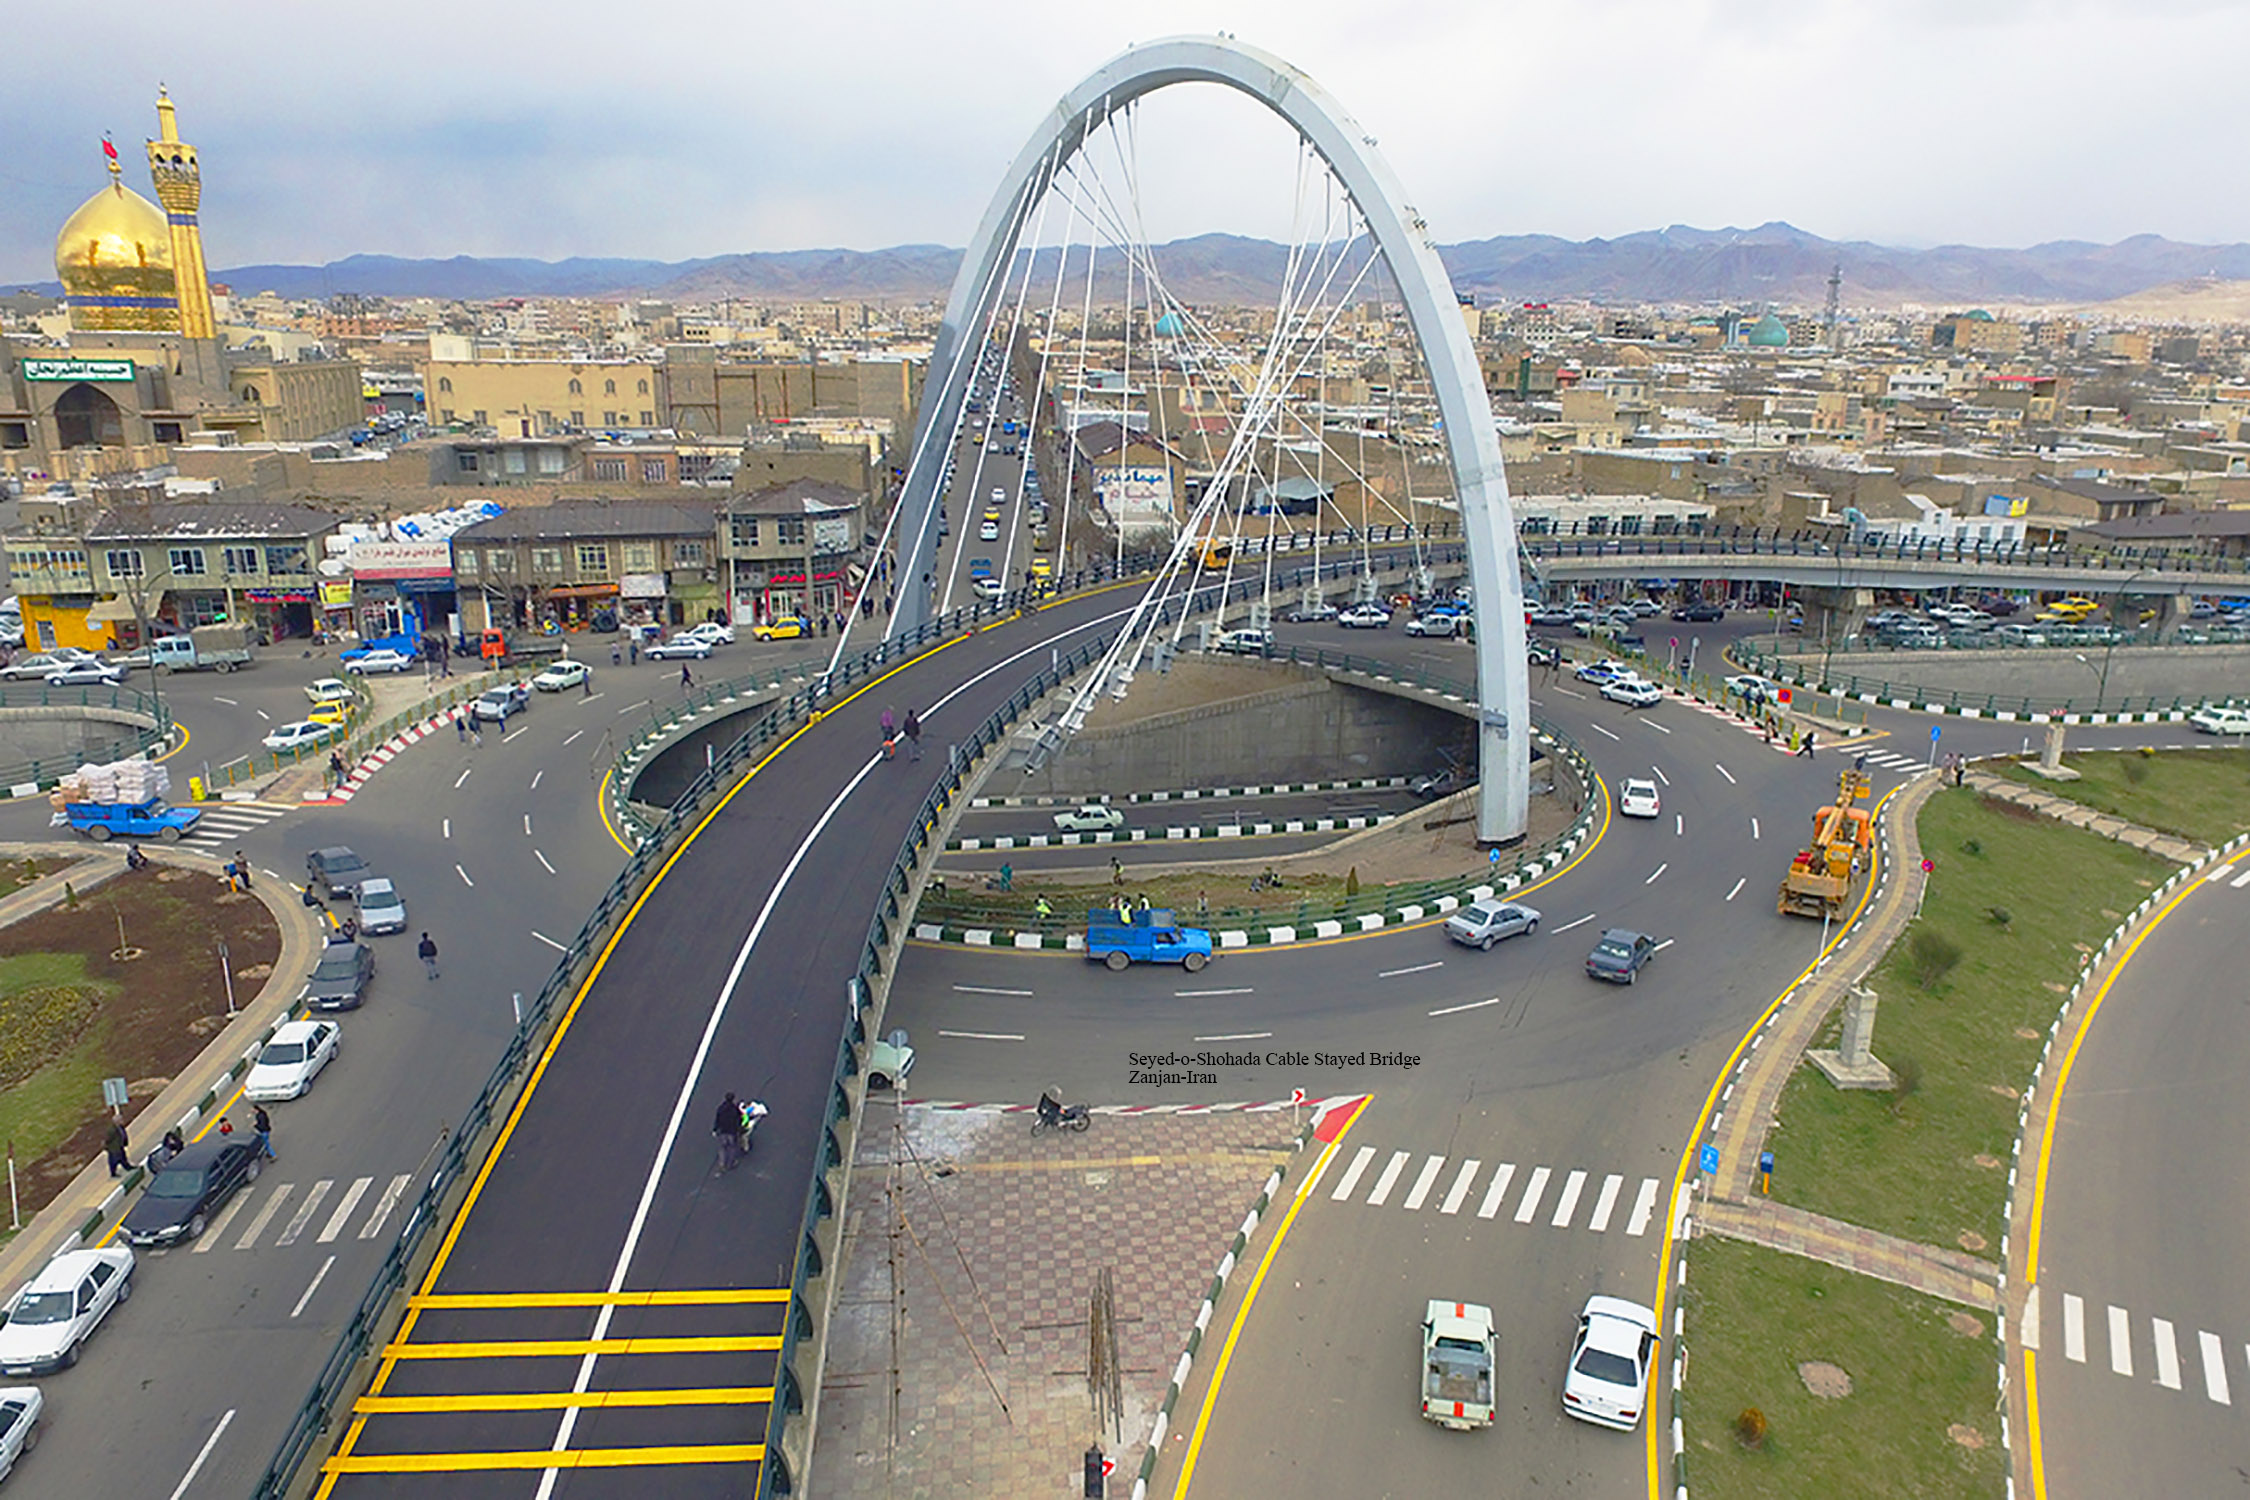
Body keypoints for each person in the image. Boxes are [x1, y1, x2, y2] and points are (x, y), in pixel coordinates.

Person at [714, 1090, 746, 1171]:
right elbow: (739, 1119)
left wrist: (715, 1129)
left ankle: (722, 1164)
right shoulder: (734, 1109)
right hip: (731, 1131)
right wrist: (740, 1129)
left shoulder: (721, 1108)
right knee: (732, 1147)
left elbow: (717, 1119)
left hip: (723, 1131)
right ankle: (731, 1163)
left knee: (723, 1147)